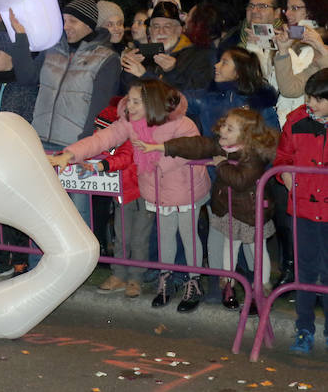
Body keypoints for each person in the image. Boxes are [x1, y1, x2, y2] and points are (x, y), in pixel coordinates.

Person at [49, 79, 209, 312]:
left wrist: (153, 157)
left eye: (136, 102)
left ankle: (193, 282)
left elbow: (191, 150)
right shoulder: (130, 123)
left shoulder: (181, 123)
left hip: (186, 190)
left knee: (188, 237)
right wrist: (70, 154)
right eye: (129, 101)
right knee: (165, 237)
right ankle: (165, 280)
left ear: (152, 103)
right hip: (156, 191)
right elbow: (102, 139)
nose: (129, 106)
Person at [137, 108, 278, 310]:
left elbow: (240, 180)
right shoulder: (222, 147)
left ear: (246, 136)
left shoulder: (254, 155)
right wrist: (164, 147)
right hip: (229, 212)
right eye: (224, 125)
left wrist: (221, 166)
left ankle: (259, 291)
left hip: (251, 215)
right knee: (229, 249)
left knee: (257, 252)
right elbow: (196, 145)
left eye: (230, 129)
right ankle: (228, 285)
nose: (223, 131)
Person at [32, 0, 121, 229]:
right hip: (41, 141)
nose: (65, 26)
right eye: (63, 20)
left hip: (75, 148)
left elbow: (101, 108)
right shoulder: (52, 49)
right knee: (41, 210)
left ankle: (82, 264)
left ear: (89, 25)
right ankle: (37, 261)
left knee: (78, 215)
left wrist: (83, 148)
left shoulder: (107, 58)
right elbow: (27, 79)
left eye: (72, 20)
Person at [0, 25, 41, 281]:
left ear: (13, 55)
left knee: (17, 210)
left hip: (17, 156)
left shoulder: (26, 86)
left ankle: (21, 260)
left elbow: (30, 118)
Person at [277, 69, 328, 354]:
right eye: (309, 97)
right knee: (306, 271)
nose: (311, 103)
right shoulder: (295, 120)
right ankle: (304, 329)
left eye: (319, 99)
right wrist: (284, 174)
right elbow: (282, 157)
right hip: (303, 211)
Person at [88, 97, 146, 298]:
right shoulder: (117, 128)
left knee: (139, 238)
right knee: (121, 235)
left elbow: (127, 154)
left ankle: (135, 278)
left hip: (144, 190)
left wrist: (102, 165)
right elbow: (102, 144)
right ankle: (119, 274)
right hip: (123, 190)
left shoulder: (145, 129)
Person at [120, 1, 213, 92]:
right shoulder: (144, 53)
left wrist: (171, 71)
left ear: (179, 30)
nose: (161, 31)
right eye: (156, 26)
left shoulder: (198, 56)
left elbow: (194, 95)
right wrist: (128, 67)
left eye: (167, 26)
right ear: (150, 31)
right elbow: (124, 91)